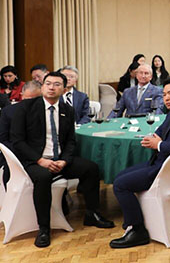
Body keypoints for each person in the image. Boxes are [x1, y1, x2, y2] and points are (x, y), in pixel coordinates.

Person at [10, 72, 114, 247]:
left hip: (59, 159)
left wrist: (64, 160)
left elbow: (71, 141)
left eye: (57, 84)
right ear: (42, 86)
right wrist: (40, 160)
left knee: (91, 168)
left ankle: (92, 214)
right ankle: (44, 228)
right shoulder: (26, 108)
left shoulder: (67, 109)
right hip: (35, 160)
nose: (51, 87)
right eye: (48, 83)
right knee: (43, 177)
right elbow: (17, 141)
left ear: (64, 89)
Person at [110, 77, 170, 249]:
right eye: (164, 94)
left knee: (121, 185)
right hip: (161, 162)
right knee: (119, 176)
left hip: (167, 169)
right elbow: (160, 131)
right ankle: (131, 222)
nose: (166, 98)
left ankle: (138, 230)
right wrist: (156, 139)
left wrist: (157, 144)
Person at [0, 81, 41, 186]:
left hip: (41, 154)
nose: (30, 103)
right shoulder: (8, 111)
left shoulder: (45, 111)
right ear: (22, 96)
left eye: (34, 100)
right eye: (27, 99)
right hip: (15, 153)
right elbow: (3, 139)